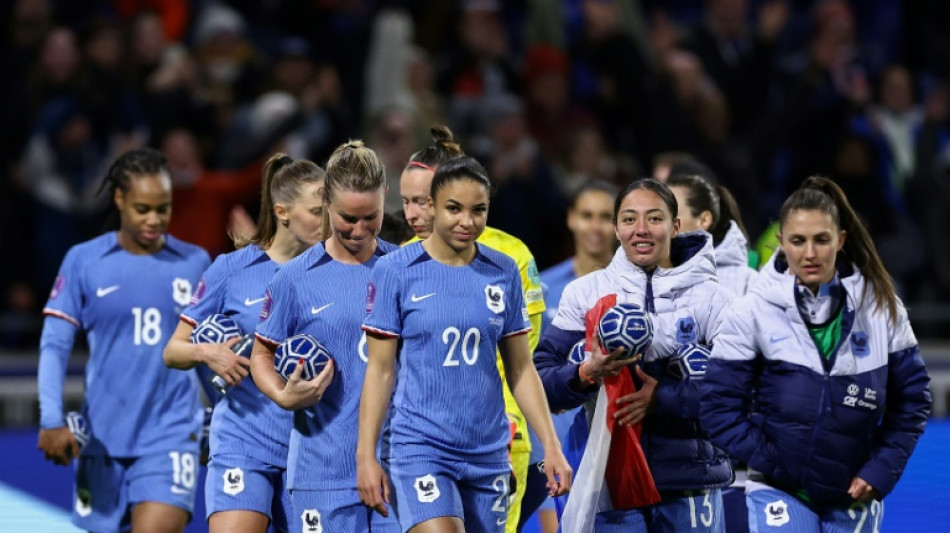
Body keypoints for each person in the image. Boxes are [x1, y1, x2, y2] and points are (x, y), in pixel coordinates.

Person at [700, 177, 932, 532]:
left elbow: (912, 401)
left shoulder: (883, 307)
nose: (809, 253)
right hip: (779, 487)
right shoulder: (751, 310)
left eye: (821, 240)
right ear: (781, 243)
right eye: (798, 241)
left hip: (854, 489)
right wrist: (772, 461)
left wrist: (879, 470)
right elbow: (717, 404)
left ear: (840, 241)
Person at [357, 156, 572, 532]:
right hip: (421, 447)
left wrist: (551, 445)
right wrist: (366, 455)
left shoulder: (504, 270)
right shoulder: (394, 271)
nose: (467, 221)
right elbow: (380, 369)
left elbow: (522, 369)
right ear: (433, 207)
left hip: (488, 450)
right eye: (454, 209)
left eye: (479, 210)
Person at [535, 178, 734, 532]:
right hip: (607, 477)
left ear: (675, 225)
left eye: (654, 218)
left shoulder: (713, 299)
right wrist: (583, 374)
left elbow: (736, 389)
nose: (641, 230)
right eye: (629, 219)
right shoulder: (585, 293)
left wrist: (662, 398)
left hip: (687, 478)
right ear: (616, 227)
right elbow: (542, 379)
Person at [37, 148, 211, 533]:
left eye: (162, 208)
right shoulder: (84, 261)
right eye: (142, 208)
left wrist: (225, 420)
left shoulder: (196, 263)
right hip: (101, 438)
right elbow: (55, 345)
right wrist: (50, 419)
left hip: (172, 433)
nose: (154, 220)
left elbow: (208, 350)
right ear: (119, 200)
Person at [162, 153, 326, 533]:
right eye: (317, 211)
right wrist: (209, 352)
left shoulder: (336, 272)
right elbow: (173, 351)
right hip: (243, 438)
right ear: (283, 212)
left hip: (314, 448)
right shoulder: (231, 269)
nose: (327, 222)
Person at [399, 125, 547, 533]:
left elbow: (520, 360)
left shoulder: (510, 257)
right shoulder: (398, 262)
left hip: (497, 435)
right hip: (420, 438)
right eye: (406, 202)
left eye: (423, 202)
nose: (412, 214)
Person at [250, 141, 400, 532]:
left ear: (385, 196)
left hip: (399, 466)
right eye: (348, 218)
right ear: (326, 202)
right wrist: (283, 395)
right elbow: (260, 354)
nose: (359, 230)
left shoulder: (406, 271)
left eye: (371, 217)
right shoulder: (294, 279)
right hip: (322, 470)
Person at [522, 181, 618, 533]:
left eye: (606, 217)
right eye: (587, 215)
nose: (595, 226)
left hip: (613, 440)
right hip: (555, 443)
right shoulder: (543, 289)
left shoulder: (633, 291)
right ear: (571, 219)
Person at [667, 170, 757, 532]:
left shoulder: (746, 286)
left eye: (671, 211)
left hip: (731, 467)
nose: (660, 221)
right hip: (673, 462)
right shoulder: (652, 279)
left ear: (703, 220)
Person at [667, 172, 758, 297]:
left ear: (704, 220)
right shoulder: (642, 278)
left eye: (672, 215)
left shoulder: (747, 284)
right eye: (655, 216)